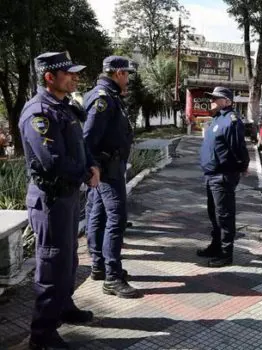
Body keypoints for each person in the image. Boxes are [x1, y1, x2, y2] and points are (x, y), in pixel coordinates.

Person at [18, 51, 100, 349]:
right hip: (50, 199)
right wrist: (84, 173)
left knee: (68, 258)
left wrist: (91, 165)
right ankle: (42, 335)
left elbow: (80, 144)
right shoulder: (39, 112)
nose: (76, 77)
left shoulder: (63, 107)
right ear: (49, 77)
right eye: (69, 73)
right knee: (52, 263)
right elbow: (52, 160)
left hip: (67, 196)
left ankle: (64, 307)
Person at [83, 56, 140, 298]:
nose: (128, 79)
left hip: (108, 168)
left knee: (99, 214)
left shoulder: (109, 96)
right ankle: (112, 277)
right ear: (117, 73)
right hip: (107, 170)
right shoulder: (103, 99)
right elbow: (88, 139)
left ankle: (99, 266)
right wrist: (95, 167)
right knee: (116, 219)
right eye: (126, 74)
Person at [198, 87, 250, 267]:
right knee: (214, 214)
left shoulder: (232, 121)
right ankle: (216, 246)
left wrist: (242, 166)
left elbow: (239, 148)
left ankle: (226, 254)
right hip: (211, 174)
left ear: (227, 101)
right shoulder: (218, 118)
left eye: (216, 98)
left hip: (223, 175)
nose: (212, 100)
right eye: (212, 97)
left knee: (224, 216)